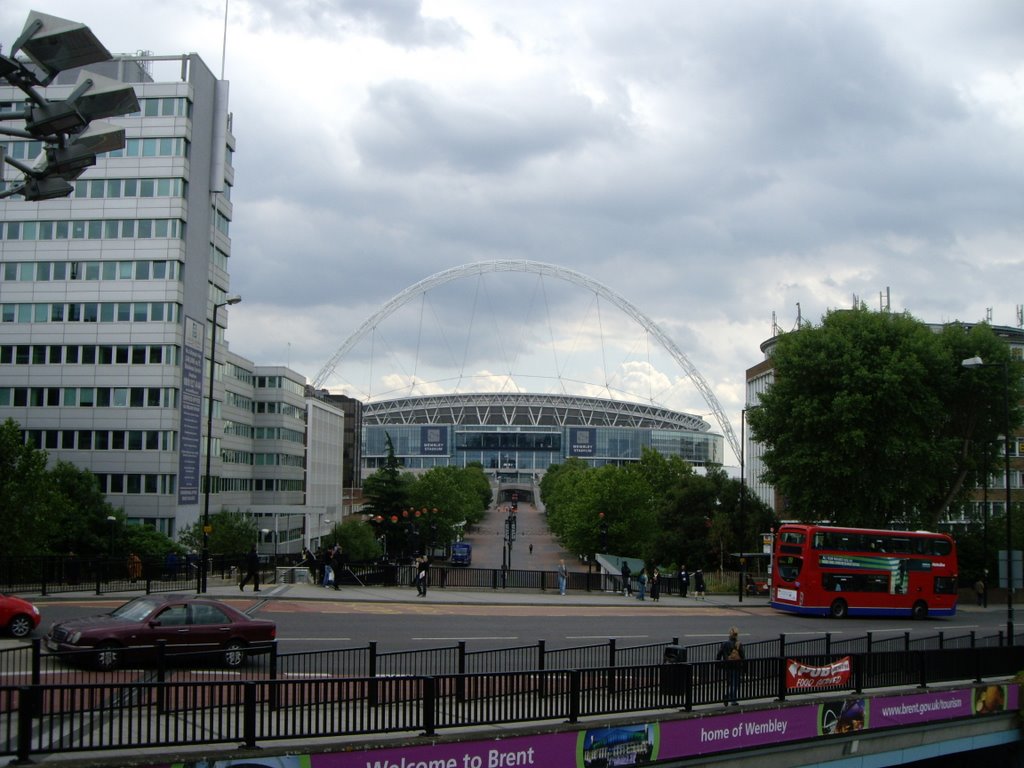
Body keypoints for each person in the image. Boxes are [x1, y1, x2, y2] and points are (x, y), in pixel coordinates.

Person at [715, 626, 744, 706]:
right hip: (736, 666)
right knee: (736, 683)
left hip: (727, 665)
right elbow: (742, 656)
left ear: (729, 635)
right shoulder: (739, 644)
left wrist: (718, 664)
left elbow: (719, 655)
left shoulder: (724, 644)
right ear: (737, 635)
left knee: (731, 683)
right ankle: (732, 699)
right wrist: (744, 666)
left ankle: (728, 696)